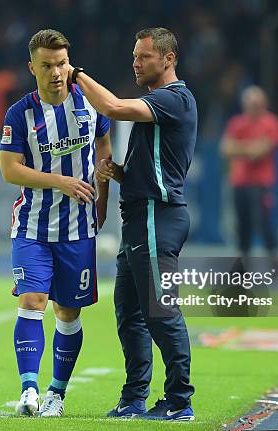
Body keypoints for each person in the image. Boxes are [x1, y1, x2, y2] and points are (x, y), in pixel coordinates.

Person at [69, 27, 196, 421]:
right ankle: (134, 398)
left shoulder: (175, 99)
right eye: (134, 56)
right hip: (140, 218)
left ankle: (179, 401)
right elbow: (159, 164)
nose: (135, 63)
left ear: (168, 59)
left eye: (143, 57)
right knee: (129, 315)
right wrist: (121, 174)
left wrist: (74, 74)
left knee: (161, 312)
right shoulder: (161, 103)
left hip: (159, 215)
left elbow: (111, 108)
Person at [0, 29, 112, 417]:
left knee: (68, 312)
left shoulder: (89, 103)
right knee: (33, 301)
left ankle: (56, 394)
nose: (56, 72)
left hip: (78, 230)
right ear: (33, 68)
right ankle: (29, 390)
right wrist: (60, 181)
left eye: (62, 63)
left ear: (70, 63)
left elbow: (104, 146)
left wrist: (103, 200)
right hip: (32, 225)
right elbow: (10, 170)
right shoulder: (20, 113)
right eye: (46, 65)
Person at [220, 86, 278, 258]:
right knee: (242, 225)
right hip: (239, 181)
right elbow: (225, 149)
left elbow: (260, 151)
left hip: (261, 183)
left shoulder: (271, 122)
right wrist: (251, 147)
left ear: (264, 104)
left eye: (256, 103)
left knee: (262, 223)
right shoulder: (237, 123)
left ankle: (274, 257)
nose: (252, 107)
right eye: (249, 103)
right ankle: (242, 264)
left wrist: (239, 147)